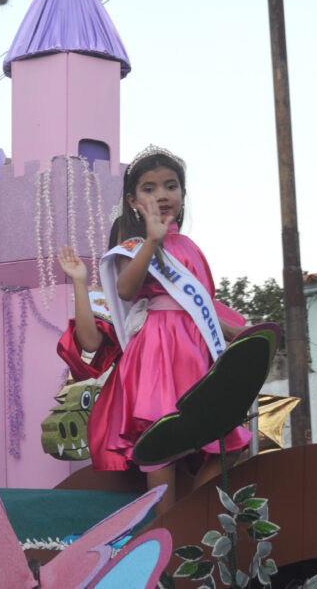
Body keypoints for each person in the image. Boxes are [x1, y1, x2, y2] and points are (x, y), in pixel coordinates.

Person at [87, 146, 246, 512]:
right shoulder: (134, 247)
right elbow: (126, 290)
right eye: (149, 187)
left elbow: (196, 306)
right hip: (157, 350)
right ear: (132, 198)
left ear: (183, 194)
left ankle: (187, 514)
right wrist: (153, 242)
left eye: (171, 186)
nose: (161, 195)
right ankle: (165, 528)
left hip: (195, 350)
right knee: (163, 439)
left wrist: (233, 333)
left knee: (229, 441)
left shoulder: (191, 247)